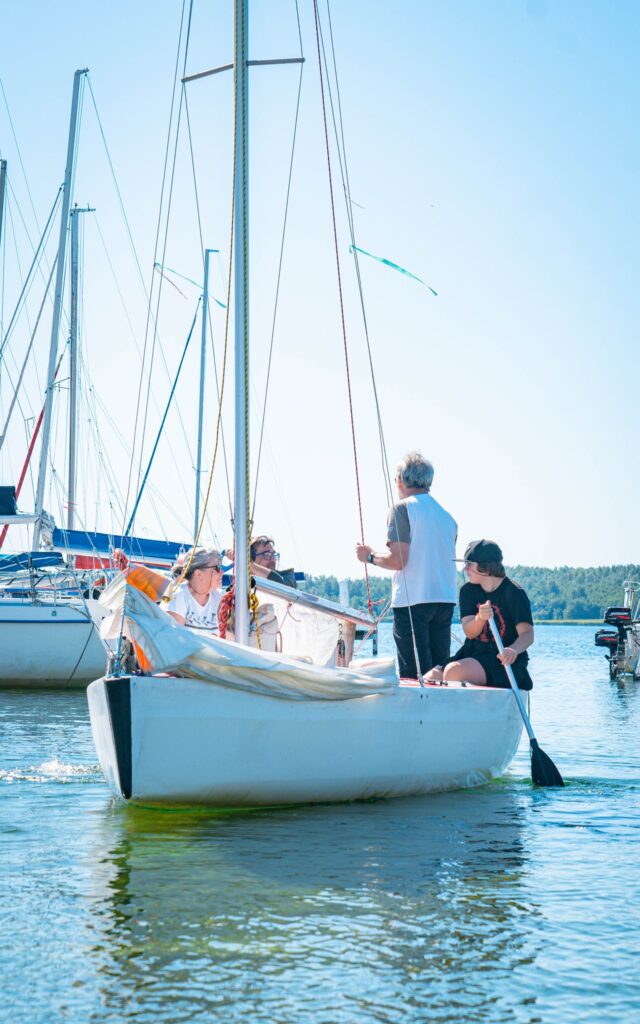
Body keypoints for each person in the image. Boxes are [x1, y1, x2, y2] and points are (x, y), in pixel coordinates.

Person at [356, 451, 458, 679]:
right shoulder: (448, 517)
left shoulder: (401, 509)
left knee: (414, 675)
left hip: (414, 601)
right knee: (438, 673)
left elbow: (398, 560)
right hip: (445, 599)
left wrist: (369, 557)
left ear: (401, 480)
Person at [428, 539, 534, 689]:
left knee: (453, 672)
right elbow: (469, 632)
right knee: (429, 679)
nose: (465, 569)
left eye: (469, 564)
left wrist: (513, 650)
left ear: (485, 567)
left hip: (503, 661)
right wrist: (480, 618)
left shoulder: (514, 593)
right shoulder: (468, 591)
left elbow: (527, 634)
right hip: (473, 653)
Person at [165, 546, 224, 633]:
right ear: (199, 573)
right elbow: (174, 636)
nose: (222, 572)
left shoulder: (221, 597)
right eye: (217, 568)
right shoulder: (176, 595)